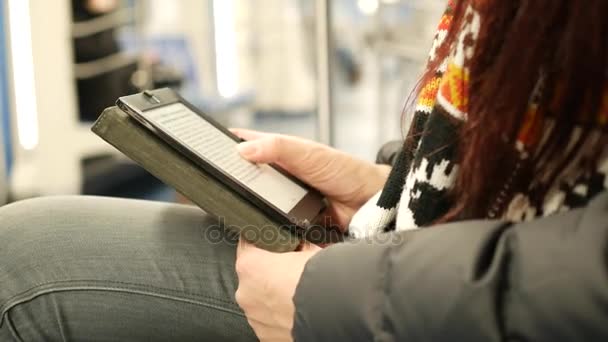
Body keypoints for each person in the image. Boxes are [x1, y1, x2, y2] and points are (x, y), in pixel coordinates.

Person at [1, 0, 607, 340]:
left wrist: (330, 297)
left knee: (23, 265)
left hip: (441, 301)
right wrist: (388, 185)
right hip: (447, 252)